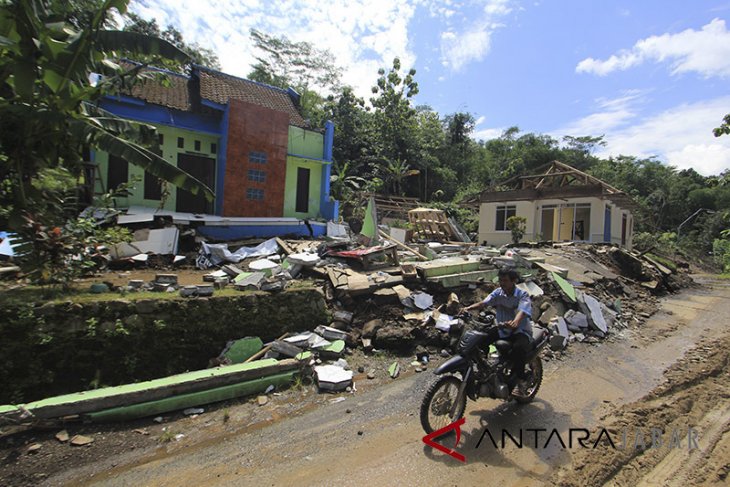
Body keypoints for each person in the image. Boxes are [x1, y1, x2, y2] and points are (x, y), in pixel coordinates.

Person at [462, 266, 533, 389]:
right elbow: (484, 303)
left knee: (518, 349)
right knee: (481, 340)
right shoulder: (498, 293)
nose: (502, 283)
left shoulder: (522, 295)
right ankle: (484, 369)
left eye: (505, 280)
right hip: (501, 328)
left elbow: (522, 311)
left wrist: (515, 322)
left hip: (519, 331)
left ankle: (521, 379)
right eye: (500, 280)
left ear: (514, 281)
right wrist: (468, 308)